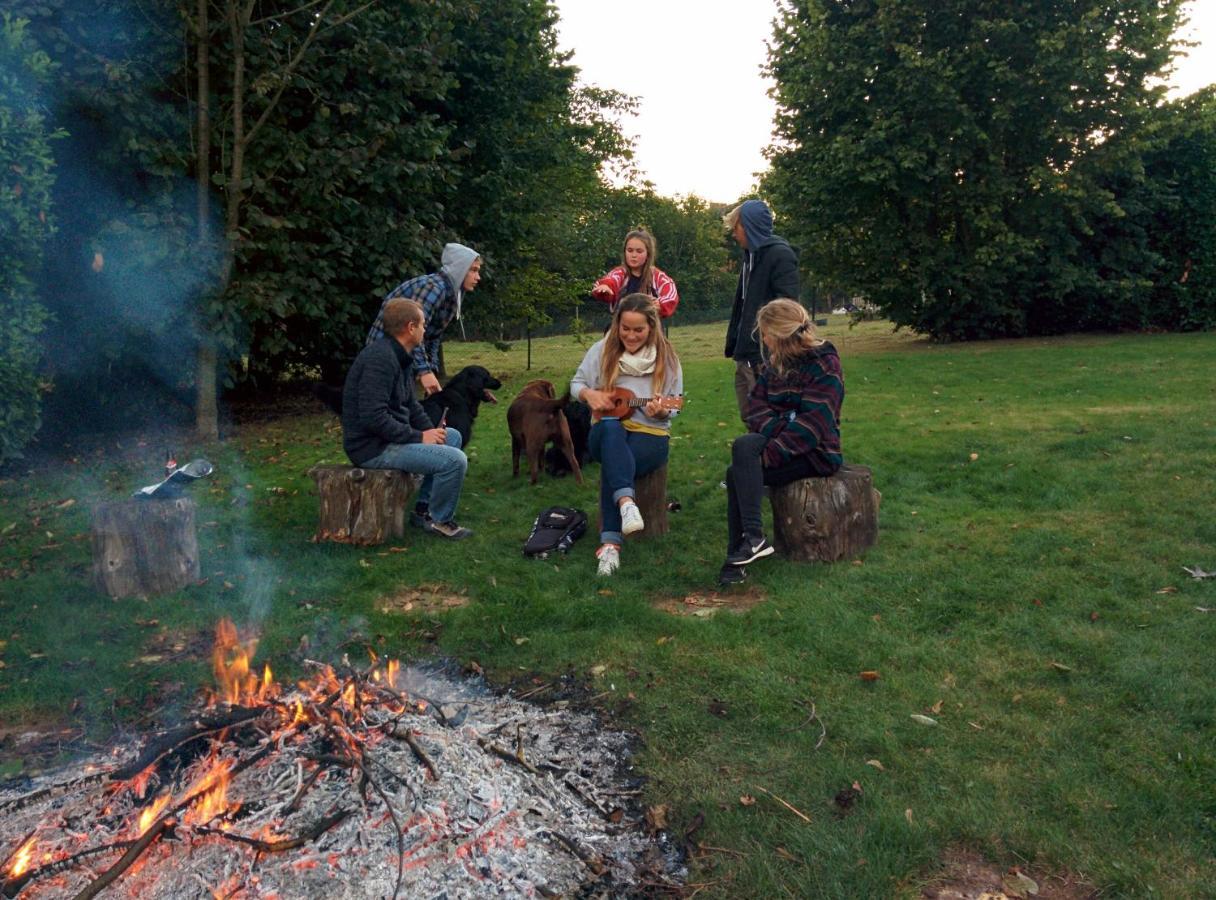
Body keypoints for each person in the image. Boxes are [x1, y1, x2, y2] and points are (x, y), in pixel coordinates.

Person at [719, 299, 842, 585]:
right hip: (783, 444)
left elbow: (813, 426)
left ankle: (741, 553)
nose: (763, 339)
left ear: (779, 334)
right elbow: (754, 408)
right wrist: (783, 423)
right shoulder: (774, 364)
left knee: (739, 468)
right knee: (743, 448)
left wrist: (769, 452)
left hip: (817, 454)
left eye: (765, 333)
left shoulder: (825, 365)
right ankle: (749, 542)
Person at [571, 294, 683, 576]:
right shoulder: (602, 350)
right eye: (625, 329)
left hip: (651, 434)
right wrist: (589, 394)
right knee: (610, 429)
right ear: (617, 324)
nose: (630, 336)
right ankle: (627, 504)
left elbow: (675, 404)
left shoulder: (666, 358)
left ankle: (610, 545)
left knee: (616, 463)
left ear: (652, 327)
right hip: (606, 432)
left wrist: (661, 412)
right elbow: (577, 383)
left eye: (638, 330)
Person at [343, 298, 473, 540]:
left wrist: (431, 432)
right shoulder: (379, 359)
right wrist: (419, 436)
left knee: (451, 436)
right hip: (373, 448)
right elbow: (373, 417)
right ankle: (440, 521)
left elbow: (411, 405)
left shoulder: (400, 356)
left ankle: (424, 511)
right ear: (410, 327)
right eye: (423, 324)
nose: (425, 329)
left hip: (390, 439)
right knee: (455, 460)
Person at [367, 243, 482, 396]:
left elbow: (433, 334)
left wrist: (432, 368)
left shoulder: (452, 295)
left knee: (406, 407)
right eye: (473, 270)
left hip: (403, 358)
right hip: (385, 356)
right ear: (459, 269)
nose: (478, 277)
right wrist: (424, 371)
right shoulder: (434, 288)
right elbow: (411, 331)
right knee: (389, 408)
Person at [723, 200, 800, 420]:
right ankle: (757, 453)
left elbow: (789, 309)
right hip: (746, 352)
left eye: (736, 227)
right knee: (750, 416)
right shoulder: (750, 257)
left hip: (766, 356)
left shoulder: (780, 256)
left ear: (749, 226)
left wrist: (771, 352)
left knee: (770, 417)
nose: (733, 234)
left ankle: (775, 453)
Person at [591, 229, 679, 319]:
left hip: (649, 327)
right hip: (621, 327)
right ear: (624, 252)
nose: (634, 255)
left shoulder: (657, 276)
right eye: (630, 250)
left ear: (648, 254)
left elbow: (670, 292)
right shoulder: (620, 273)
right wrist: (605, 286)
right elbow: (611, 280)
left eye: (639, 251)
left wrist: (660, 305)